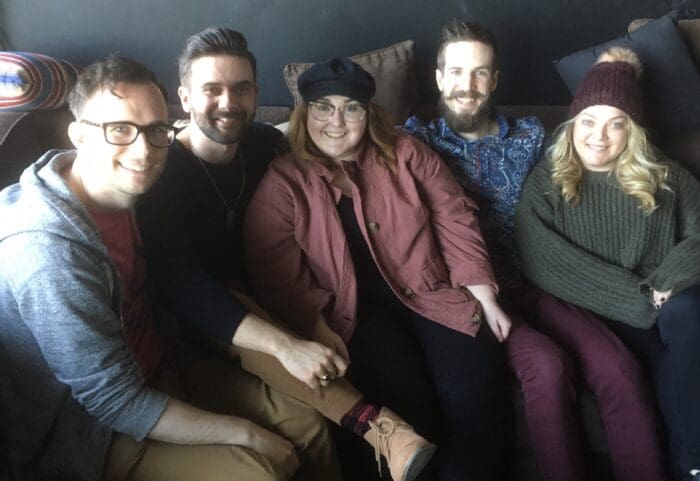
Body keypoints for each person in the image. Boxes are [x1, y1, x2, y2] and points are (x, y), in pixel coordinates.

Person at [0, 55, 341, 481]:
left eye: (155, 130)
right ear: (79, 135)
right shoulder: (48, 254)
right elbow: (113, 401)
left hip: (161, 360)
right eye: (119, 129)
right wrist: (249, 435)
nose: (143, 151)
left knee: (310, 429)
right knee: (260, 470)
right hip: (90, 427)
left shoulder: (134, 187)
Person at [136, 27, 435, 481]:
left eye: (240, 88)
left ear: (256, 94)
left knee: (379, 357)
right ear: (185, 97)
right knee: (246, 309)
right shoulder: (163, 174)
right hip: (202, 319)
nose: (228, 102)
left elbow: (321, 187)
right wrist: (288, 343)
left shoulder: (265, 145)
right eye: (212, 89)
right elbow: (186, 289)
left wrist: (314, 317)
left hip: (280, 289)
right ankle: (381, 430)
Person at [405, 20, 668, 481]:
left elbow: (595, 160)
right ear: (439, 78)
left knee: (617, 367)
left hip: (541, 282)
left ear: (495, 80)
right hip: (473, 299)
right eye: (457, 72)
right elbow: (346, 142)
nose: (468, 85)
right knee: (546, 367)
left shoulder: (531, 136)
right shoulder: (412, 143)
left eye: (480, 72)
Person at [244, 56, 513, 481]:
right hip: (353, 315)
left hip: (431, 291)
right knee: (406, 397)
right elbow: (276, 270)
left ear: (368, 113)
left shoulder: (407, 153)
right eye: (323, 107)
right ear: (304, 113)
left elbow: (454, 217)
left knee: (473, 386)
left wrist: (484, 294)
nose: (336, 121)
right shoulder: (284, 181)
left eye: (350, 108)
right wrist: (315, 325)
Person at [515, 46, 700, 481]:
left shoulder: (666, 175)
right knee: (656, 361)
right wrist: (638, 299)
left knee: (690, 312)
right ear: (572, 124)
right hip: (594, 309)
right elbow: (542, 259)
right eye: (588, 121)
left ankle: (692, 463)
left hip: (660, 301)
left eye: (615, 123)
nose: (599, 136)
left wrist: (668, 279)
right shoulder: (548, 180)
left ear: (631, 131)